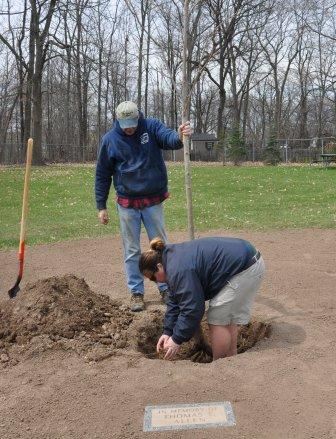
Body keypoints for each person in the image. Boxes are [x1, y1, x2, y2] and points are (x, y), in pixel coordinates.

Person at [95, 101, 191, 312]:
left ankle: (166, 287)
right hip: (127, 203)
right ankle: (136, 292)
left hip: (153, 200)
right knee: (131, 249)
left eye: (133, 123)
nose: (129, 128)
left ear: (139, 117)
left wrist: (180, 135)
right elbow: (102, 174)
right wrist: (101, 206)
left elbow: (169, 139)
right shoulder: (110, 140)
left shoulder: (152, 126)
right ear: (117, 120)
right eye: (125, 124)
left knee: (159, 246)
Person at [139, 236, 265, 361]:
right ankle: (231, 359)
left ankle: (219, 365)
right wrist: (167, 332)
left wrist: (176, 340)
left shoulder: (177, 271)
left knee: (217, 319)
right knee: (226, 316)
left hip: (245, 267)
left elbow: (193, 308)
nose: (155, 281)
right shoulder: (170, 259)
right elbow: (175, 301)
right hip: (247, 259)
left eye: (153, 277)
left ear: (159, 266)